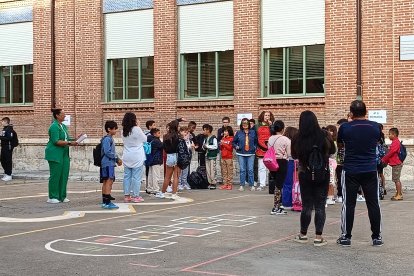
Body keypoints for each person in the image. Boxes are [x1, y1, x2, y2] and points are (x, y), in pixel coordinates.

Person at [336, 100, 383, 247]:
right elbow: (378, 142)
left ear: (351, 112)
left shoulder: (345, 127)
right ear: (366, 111)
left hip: (350, 169)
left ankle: (346, 236)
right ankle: (377, 237)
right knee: (373, 203)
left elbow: (340, 144)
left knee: (348, 204)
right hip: (370, 169)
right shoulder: (375, 127)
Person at [292, 111, 335, 246]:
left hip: (305, 173)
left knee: (307, 205)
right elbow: (333, 150)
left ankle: (303, 234)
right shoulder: (324, 135)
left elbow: (293, 155)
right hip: (322, 173)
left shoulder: (297, 137)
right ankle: (318, 237)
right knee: (320, 205)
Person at [45, 109, 79, 203]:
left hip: (64, 154)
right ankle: (52, 197)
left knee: (64, 175)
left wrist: (76, 139)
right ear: (57, 115)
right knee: (55, 175)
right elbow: (56, 141)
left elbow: (66, 138)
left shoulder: (63, 126)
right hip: (55, 153)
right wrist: (69, 142)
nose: (64, 116)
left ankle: (62, 196)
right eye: (63, 114)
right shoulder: (54, 126)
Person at [121, 112, 147, 203]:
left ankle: (127, 196)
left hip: (127, 155)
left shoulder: (123, 130)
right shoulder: (136, 129)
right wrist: (138, 126)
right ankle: (136, 196)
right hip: (137, 155)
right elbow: (145, 139)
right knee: (136, 177)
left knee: (127, 176)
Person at [268, 120, 291, 215]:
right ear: (282, 129)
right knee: (279, 185)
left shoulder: (270, 138)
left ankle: (279, 204)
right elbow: (289, 154)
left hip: (272, 162)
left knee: (277, 183)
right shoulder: (285, 139)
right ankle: (275, 207)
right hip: (282, 161)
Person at [157, 120, 181, 200]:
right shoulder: (179, 136)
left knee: (167, 176)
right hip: (177, 155)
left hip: (169, 156)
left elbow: (164, 147)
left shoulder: (166, 136)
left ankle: (162, 193)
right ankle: (174, 194)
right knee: (176, 177)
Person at [232, 118, 257, 191]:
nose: (245, 125)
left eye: (246, 123)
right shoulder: (238, 133)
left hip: (251, 153)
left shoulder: (253, 132)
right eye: (243, 123)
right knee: (242, 170)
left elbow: (256, 141)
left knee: (250, 170)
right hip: (241, 153)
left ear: (249, 124)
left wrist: (255, 147)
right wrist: (236, 146)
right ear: (241, 124)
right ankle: (242, 185)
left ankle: (252, 185)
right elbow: (233, 142)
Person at [381, 128, 403, 201]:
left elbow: (391, 152)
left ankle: (399, 194)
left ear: (394, 135)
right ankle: (398, 193)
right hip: (395, 163)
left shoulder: (396, 142)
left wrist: (384, 159)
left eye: (390, 134)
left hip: (397, 163)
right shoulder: (394, 142)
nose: (389, 136)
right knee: (396, 179)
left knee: (396, 180)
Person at [256, 111, 274, 191]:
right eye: (265, 115)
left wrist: (271, 126)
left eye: (268, 115)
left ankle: (271, 184)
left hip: (270, 148)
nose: (267, 116)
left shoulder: (273, 125)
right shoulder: (257, 125)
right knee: (261, 167)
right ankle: (262, 184)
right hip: (261, 148)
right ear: (262, 116)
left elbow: (275, 134)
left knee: (271, 167)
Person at [281, 126, 298, 209]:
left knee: (286, 183)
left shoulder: (281, 140)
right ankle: (287, 203)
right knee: (290, 183)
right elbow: (291, 154)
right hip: (290, 162)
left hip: (282, 162)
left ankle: (285, 201)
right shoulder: (290, 142)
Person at [146, 128, 163, 194]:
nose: (160, 134)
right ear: (154, 134)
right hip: (156, 160)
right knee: (156, 175)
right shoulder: (156, 141)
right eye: (158, 133)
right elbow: (163, 146)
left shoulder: (149, 139)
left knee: (150, 174)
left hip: (150, 159)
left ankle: (149, 188)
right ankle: (156, 189)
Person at [0, 117, 17, 181]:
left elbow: (9, 138)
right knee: (2, 160)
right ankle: (6, 173)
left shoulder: (9, 129)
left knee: (8, 160)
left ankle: (9, 174)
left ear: (6, 122)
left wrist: (1, 137)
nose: (1, 123)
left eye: (2, 121)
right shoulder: (4, 129)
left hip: (8, 147)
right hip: (3, 146)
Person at [202, 124, 218, 190]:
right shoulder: (205, 138)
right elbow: (203, 146)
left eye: (204, 130)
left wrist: (207, 146)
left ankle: (213, 183)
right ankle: (210, 182)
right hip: (207, 156)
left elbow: (215, 146)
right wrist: (203, 147)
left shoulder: (213, 138)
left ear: (208, 130)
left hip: (212, 156)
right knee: (208, 170)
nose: (203, 131)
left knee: (212, 170)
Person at [335, 118, 347, 203]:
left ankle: (341, 195)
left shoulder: (345, 135)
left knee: (343, 179)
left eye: (340, 126)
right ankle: (340, 194)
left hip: (346, 161)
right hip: (340, 161)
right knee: (340, 178)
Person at [325, 125, 338, 205]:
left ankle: (331, 196)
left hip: (331, 162)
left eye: (331, 130)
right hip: (329, 162)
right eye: (328, 130)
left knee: (331, 180)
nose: (329, 132)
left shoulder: (333, 142)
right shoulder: (328, 141)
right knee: (329, 180)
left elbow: (333, 153)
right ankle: (329, 196)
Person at [219, 126, 234, 190]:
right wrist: (221, 145)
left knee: (229, 171)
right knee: (224, 172)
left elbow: (230, 148)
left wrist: (224, 144)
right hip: (223, 157)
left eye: (226, 131)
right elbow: (221, 148)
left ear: (229, 132)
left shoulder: (231, 139)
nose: (225, 132)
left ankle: (229, 184)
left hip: (229, 158)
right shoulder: (223, 138)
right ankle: (225, 184)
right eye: (224, 131)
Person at [178, 126, 193, 191]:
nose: (186, 133)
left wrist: (191, 146)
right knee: (180, 172)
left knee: (185, 171)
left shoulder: (188, 139)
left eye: (187, 132)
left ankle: (184, 183)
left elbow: (189, 147)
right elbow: (181, 148)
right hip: (181, 158)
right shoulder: (180, 140)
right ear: (181, 132)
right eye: (184, 132)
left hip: (187, 158)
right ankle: (179, 183)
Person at [377, 124, 387, 197]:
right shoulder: (382, 136)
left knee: (378, 174)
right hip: (381, 159)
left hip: (377, 160)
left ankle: (380, 190)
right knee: (381, 174)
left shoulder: (377, 137)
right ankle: (383, 188)